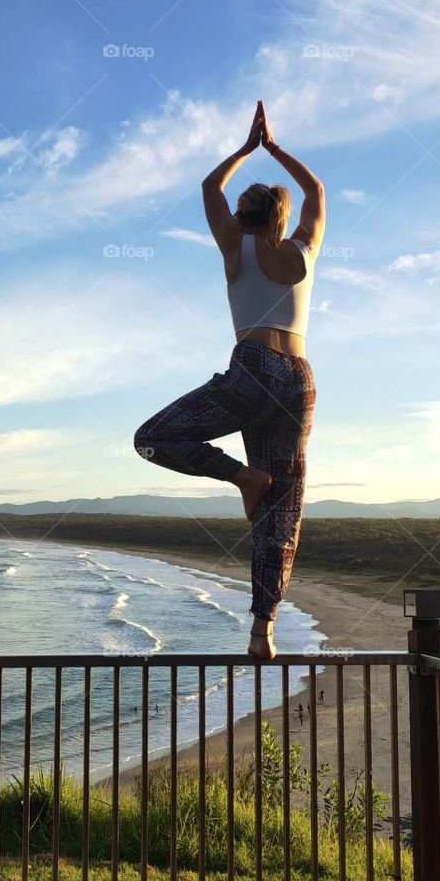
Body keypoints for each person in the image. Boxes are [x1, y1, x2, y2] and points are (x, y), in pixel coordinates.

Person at [133, 101, 325, 662]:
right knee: (283, 507)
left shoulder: (233, 247)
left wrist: (246, 149)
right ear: (280, 218)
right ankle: (261, 630)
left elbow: (208, 186)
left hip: (254, 371)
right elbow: (315, 191)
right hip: (299, 380)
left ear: (243, 219)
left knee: (153, 437)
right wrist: (278, 149)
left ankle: (242, 477)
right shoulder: (302, 251)